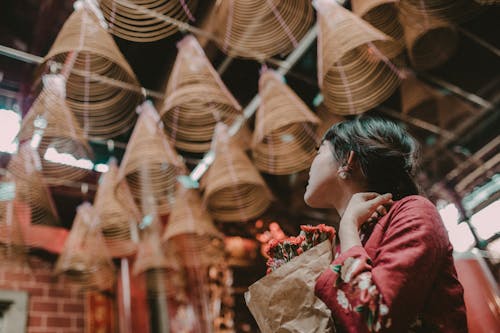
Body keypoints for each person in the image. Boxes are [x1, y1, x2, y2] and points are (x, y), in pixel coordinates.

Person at [304, 117, 467, 333]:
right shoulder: (347, 244)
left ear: (347, 161)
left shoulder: (414, 211)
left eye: (319, 150)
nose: (310, 163)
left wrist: (348, 226)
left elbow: (375, 321)